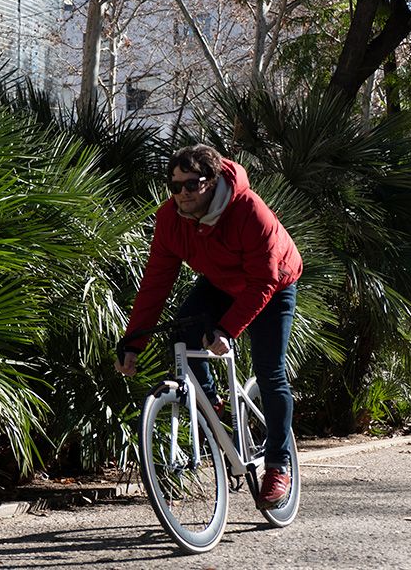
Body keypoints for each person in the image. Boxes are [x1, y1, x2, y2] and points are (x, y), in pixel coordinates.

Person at [115, 143, 303, 509]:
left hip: (274, 284)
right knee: (185, 330)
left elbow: (263, 281)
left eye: (191, 185)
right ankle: (214, 403)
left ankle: (279, 465)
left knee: (270, 371)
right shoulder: (170, 220)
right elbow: (155, 282)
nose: (181, 194)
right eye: (174, 185)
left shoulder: (250, 212)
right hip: (221, 282)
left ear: (212, 180)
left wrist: (227, 330)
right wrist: (133, 340)